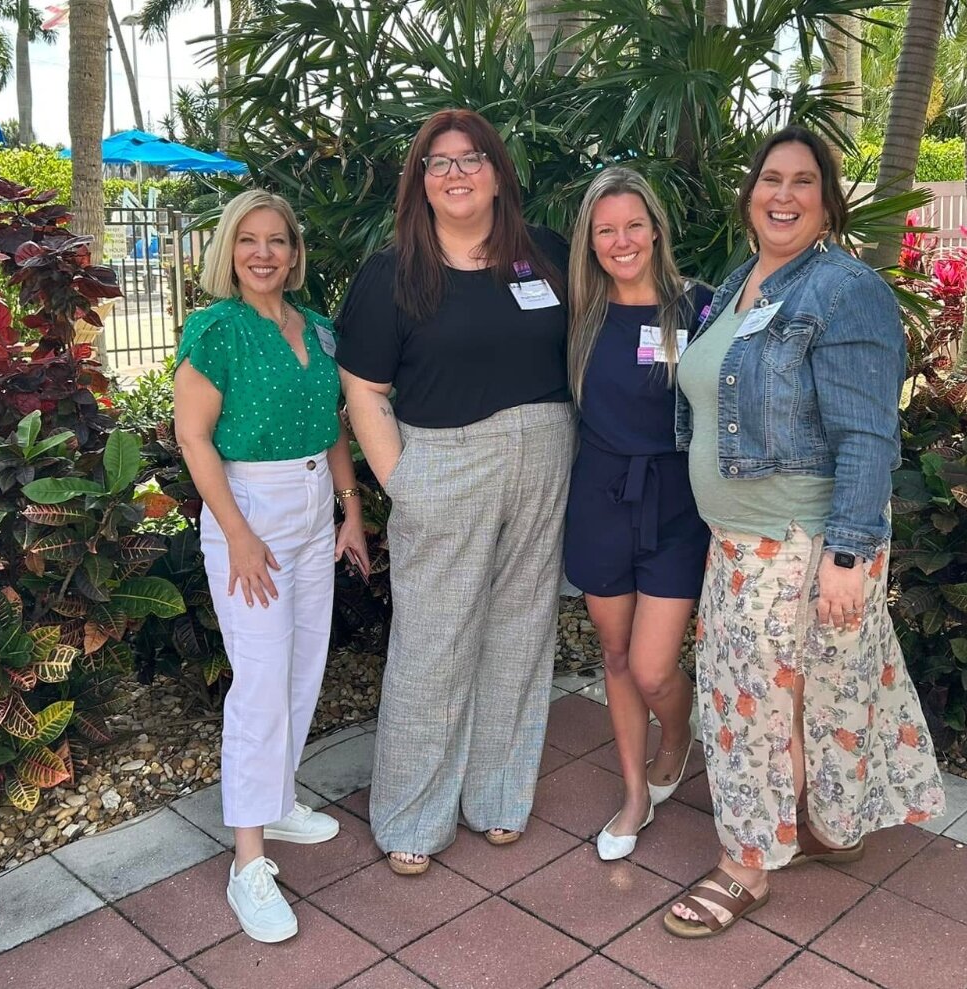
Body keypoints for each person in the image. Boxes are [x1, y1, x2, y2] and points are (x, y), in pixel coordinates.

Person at [665, 127, 946, 937]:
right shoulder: (739, 280)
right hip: (737, 538)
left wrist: (848, 555)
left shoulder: (843, 289)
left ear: (827, 204)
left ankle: (744, 866)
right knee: (802, 692)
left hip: (803, 540)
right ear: (750, 194)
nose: (782, 194)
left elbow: (867, 433)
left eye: (803, 182)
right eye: (769, 179)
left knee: (745, 702)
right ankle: (826, 824)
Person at [337, 109, 575, 876]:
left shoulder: (547, 255)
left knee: (521, 628)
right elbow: (365, 390)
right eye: (437, 164)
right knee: (432, 643)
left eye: (471, 159)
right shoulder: (392, 273)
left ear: (498, 172)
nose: (456, 173)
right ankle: (412, 811)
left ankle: (498, 795)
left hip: (544, 453)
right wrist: (402, 480)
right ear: (420, 183)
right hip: (443, 462)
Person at [172, 190, 370, 943]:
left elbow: (335, 428)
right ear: (231, 249)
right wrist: (239, 533)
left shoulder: (319, 330)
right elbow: (194, 439)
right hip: (246, 507)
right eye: (249, 240)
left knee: (302, 666)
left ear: (294, 252)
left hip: (313, 504)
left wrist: (351, 510)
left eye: (277, 241)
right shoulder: (215, 329)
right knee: (258, 680)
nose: (264, 253)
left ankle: (277, 798)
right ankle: (247, 862)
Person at [561, 168, 712, 862]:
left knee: (654, 669)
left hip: (676, 505)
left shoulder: (697, 310)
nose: (621, 241)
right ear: (591, 243)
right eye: (606, 230)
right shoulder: (579, 318)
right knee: (616, 656)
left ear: (655, 228)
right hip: (599, 500)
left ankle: (676, 734)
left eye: (632, 225)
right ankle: (632, 793)